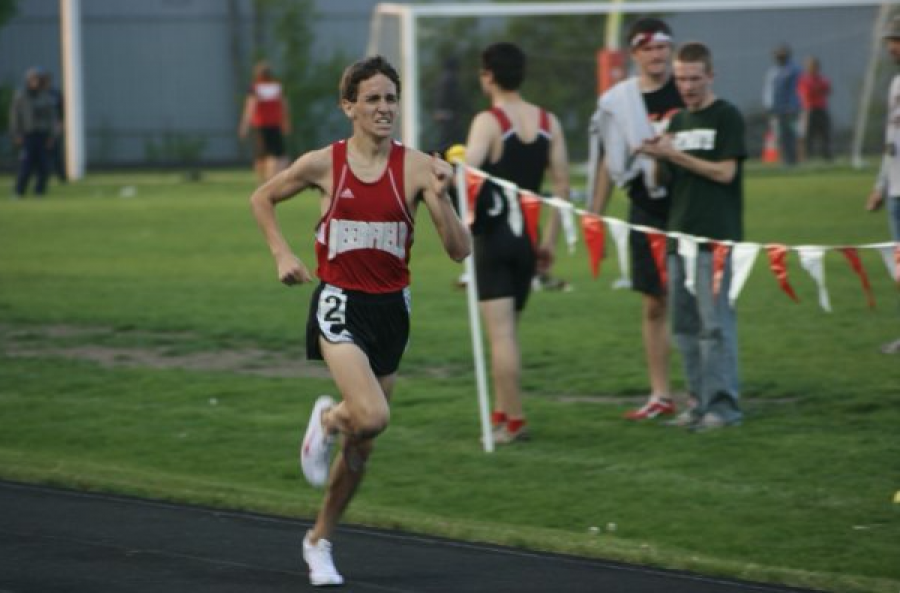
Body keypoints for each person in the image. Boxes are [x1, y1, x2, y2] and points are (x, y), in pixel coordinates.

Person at [249, 56, 470, 587]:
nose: (383, 108)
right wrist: (282, 254)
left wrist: (441, 200)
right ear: (348, 106)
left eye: (390, 98)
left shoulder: (418, 167)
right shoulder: (325, 163)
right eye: (371, 99)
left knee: (362, 450)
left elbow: (460, 251)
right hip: (340, 302)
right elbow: (262, 197)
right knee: (369, 416)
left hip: (392, 311)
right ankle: (329, 419)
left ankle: (318, 541)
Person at [464, 42, 570, 444]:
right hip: (527, 238)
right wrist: (549, 241)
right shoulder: (549, 122)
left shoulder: (488, 121)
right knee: (507, 333)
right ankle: (502, 411)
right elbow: (561, 187)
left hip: (493, 239)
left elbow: (466, 172)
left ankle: (515, 421)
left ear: (489, 75)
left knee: (501, 336)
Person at [638, 41, 745, 431]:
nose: (687, 86)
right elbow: (662, 184)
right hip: (677, 239)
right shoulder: (677, 122)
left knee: (715, 326)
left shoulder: (726, 116)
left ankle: (724, 408)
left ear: (710, 76)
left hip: (714, 238)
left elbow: (725, 173)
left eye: (695, 78)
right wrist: (654, 158)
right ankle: (697, 404)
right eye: (681, 79)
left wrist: (676, 156)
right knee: (683, 328)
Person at [590, 17, 684, 420]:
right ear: (635, 54)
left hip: (688, 202)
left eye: (663, 47)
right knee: (654, 302)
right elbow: (611, 160)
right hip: (646, 206)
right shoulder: (621, 100)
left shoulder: (687, 89)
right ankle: (660, 392)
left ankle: (703, 386)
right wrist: (595, 212)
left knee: (696, 300)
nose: (657, 55)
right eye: (648, 48)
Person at [866, 15, 900, 355]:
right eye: (891, 40)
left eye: (896, 40)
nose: (891, 47)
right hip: (895, 191)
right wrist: (880, 184)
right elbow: (892, 142)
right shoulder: (895, 86)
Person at [9, 67, 58, 198]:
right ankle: (19, 192)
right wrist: (16, 134)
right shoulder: (21, 96)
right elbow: (15, 117)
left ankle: (39, 192)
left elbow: (51, 118)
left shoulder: (45, 96)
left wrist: (51, 136)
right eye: (33, 79)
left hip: (42, 135)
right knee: (26, 166)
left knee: (44, 166)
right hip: (28, 136)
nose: (36, 82)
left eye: (38, 79)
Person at [239, 60, 292, 184]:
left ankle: (263, 181)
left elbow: (250, 107)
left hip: (260, 125)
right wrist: (286, 122)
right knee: (276, 154)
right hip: (275, 125)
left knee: (261, 155)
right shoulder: (277, 87)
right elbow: (284, 106)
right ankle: (272, 179)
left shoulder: (255, 88)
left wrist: (244, 126)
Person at [762, 43, 801, 166]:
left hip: (790, 109)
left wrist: (793, 105)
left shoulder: (794, 70)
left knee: (791, 135)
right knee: (780, 135)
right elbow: (769, 90)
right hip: (777, 109)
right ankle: (785, 160)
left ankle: (792, 160)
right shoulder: (773, 71)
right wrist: (768, 105)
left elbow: (796, 90)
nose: (778, 58)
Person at [797, 56, 832, 161]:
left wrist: (816, 89)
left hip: (821, 108)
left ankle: (827, 157)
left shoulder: (822, 79)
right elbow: (806, 93)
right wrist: (817, 89)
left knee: (825, 134)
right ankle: (806, 158)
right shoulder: (804, 80)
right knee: (807, 135)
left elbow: (828, 89)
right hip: (809, 110)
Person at [41, 71, 67, 182]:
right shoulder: (37, 94)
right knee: (42, 155)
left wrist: (61, 123)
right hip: (41, 129)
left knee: (56, 153)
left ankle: (61, 177)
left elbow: (62, 110)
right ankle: (43, 177)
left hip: (53, 128)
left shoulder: (55, 94)